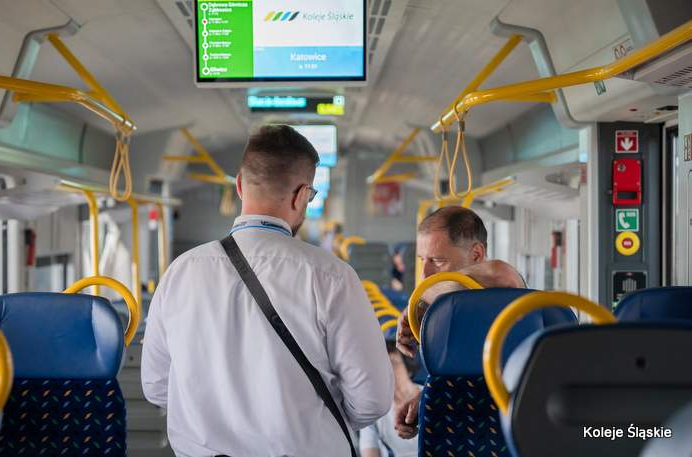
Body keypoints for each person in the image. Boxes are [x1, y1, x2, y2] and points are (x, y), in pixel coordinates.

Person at [141, 125, 394, 457]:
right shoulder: (332, 276)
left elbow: (157, 387)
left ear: (239, 185)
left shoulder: (179, 272)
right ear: (301, 196)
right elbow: (372, 399)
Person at [393, 206, 524, 440]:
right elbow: (466, 380)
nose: (425, 274)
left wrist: (421, 298)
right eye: (423, 260)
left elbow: (501, 274)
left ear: (476, 255)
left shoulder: (505, 296)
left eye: (438, 261)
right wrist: (426, 399)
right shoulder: (446, 315)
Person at [360, 335, 422, 457]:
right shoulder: (372, 414)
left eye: (392, 363)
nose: (385, 372)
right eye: (378, 368)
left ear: (409, 368)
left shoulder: (430, 396)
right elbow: (369, 452)